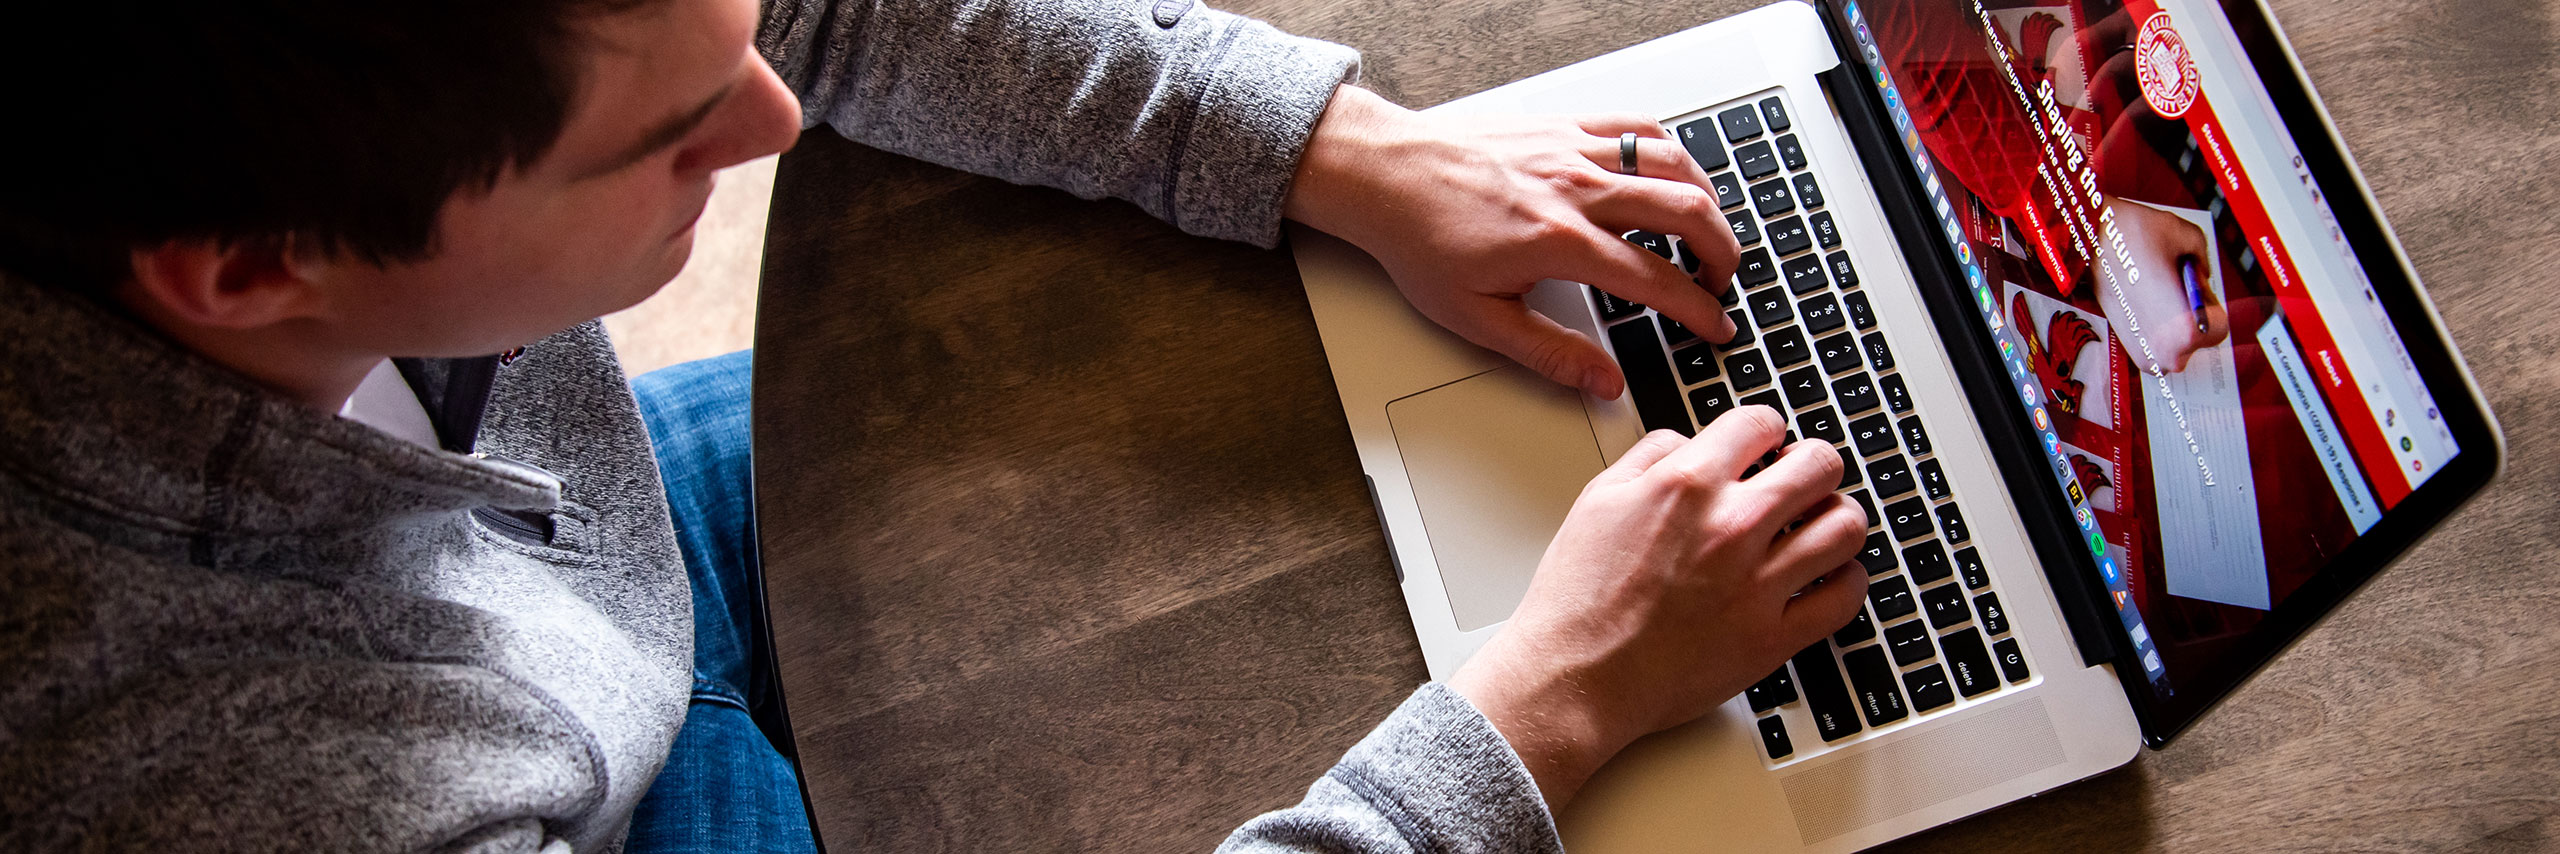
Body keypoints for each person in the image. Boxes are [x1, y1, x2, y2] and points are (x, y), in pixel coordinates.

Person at [0, 0, 1869, 851]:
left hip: (577, 538)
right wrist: (1543, 712)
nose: (770, 125)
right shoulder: (213, 785)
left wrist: (1331, 149)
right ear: (248, 273)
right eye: (667, 143)